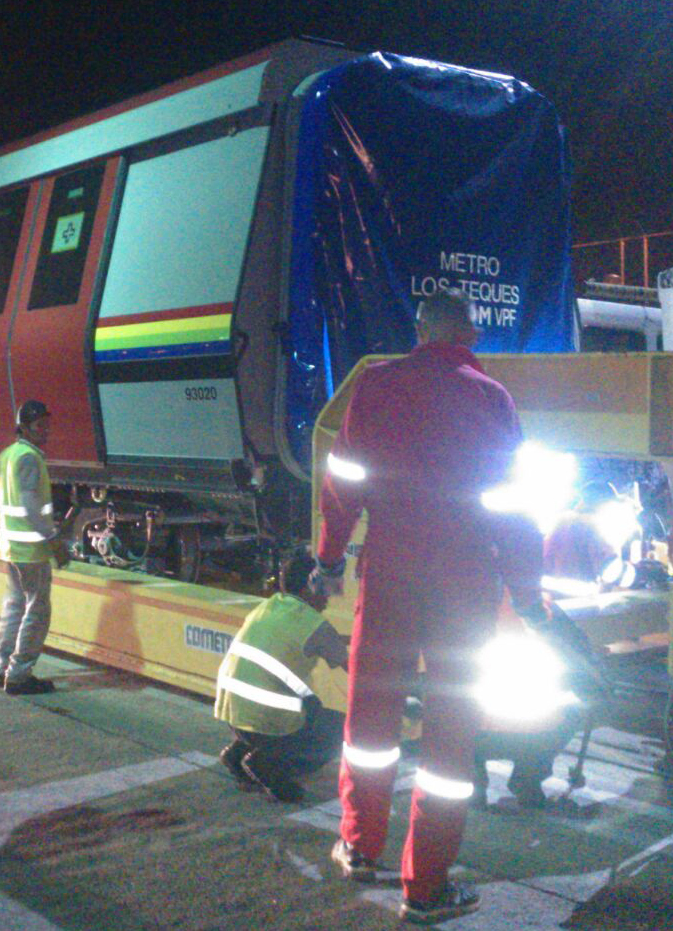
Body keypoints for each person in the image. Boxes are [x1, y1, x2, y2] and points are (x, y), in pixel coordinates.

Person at [310, 289, 545, 924]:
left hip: (390, 569)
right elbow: (514, 508)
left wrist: (329, 557)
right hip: (463, 579)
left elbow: (344, 482)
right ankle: (426, 886)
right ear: (467, 332)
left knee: (371, 712)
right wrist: (528, 591)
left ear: (418, 331)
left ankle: (358, 845)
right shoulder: (490, 399)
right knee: (450, 732)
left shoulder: (377, 386)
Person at [213, 555, 348, 803]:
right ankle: (270, 768)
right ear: (311, 586)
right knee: (340, 728)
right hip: (265, 719)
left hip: (233, 711)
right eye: (326, 588)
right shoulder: (313, 624)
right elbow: (353, 666)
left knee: (305, 702)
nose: (329, 596)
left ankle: (236, 754)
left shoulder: (269, 606)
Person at [0, 399, 70, 695]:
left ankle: (3, 669)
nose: (46, 431)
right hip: (30, 550)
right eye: (40, 426)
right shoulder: (29, 458)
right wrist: (52, 539)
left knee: (14, 607)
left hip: (11, 547)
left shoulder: (9, 455)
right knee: (37, 610)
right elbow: (30, 504)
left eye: (47, 425)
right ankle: (20, 674)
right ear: (24, 428)